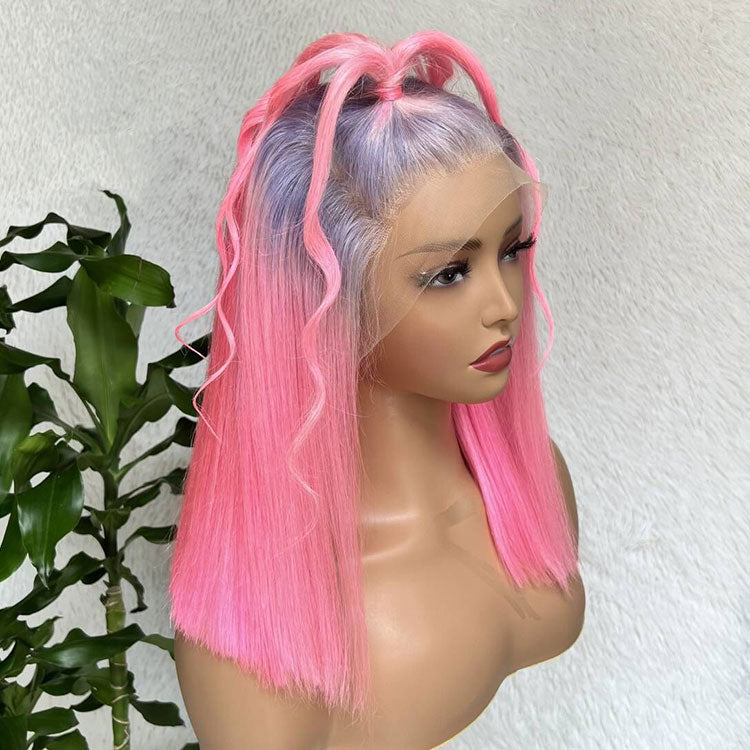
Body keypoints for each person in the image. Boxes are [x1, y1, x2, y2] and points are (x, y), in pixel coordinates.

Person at [169, 30, 585, 750]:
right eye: (448, 274)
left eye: (513, 250)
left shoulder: (532, 479)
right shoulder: (264, 625)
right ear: (326, 298)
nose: (506, 306)